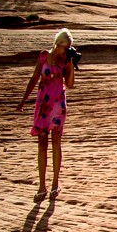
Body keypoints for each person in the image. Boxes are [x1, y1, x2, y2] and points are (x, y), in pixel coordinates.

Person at [18, 29, 77, 199]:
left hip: (58, 102)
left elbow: (70, 84)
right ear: (58, 44)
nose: (65, 50)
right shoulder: (43, 56)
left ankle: (55, 184)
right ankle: (42, 186)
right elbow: (34, 77)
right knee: (42, 142)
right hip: (43, 103)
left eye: (68, 48)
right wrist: (23, 100)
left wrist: (72, 64)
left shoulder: (66, 60)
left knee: (56, 141)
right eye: (64, 47)